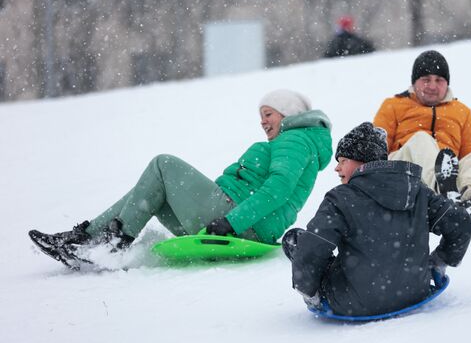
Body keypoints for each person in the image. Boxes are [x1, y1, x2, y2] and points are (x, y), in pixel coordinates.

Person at [29, 89, 333, 270]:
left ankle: (110, 241)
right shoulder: (290, 141)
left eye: (269, 114)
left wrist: (231, 223)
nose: (262, 121)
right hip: (231, 218)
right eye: (261, 115)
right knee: (151, 188)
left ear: (288, 113)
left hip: (240, 223)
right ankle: (88, 239)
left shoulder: (294, 140)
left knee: (163, 164)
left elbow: (276, 191)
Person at [283, 122, 471, 317]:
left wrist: (310, 291)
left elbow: (314, 246)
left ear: (362, 161)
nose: (337, 168)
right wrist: (441, 260)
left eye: (343, 160)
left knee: (297, 238)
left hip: (353, 302)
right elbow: (461, 222)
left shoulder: (341, 198)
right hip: (416, 291)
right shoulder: (416, 190)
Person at [373, 50, 471, 201]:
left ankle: (469, 195)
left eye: (439, 80)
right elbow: (376, 148)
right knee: (421, 139)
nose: (432, 86)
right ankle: (441, 190)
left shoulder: (461, 111)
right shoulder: (393, 105)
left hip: (450, 174)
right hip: (404, 172)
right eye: (426, 79)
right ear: (414, 82)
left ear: (447, 84)